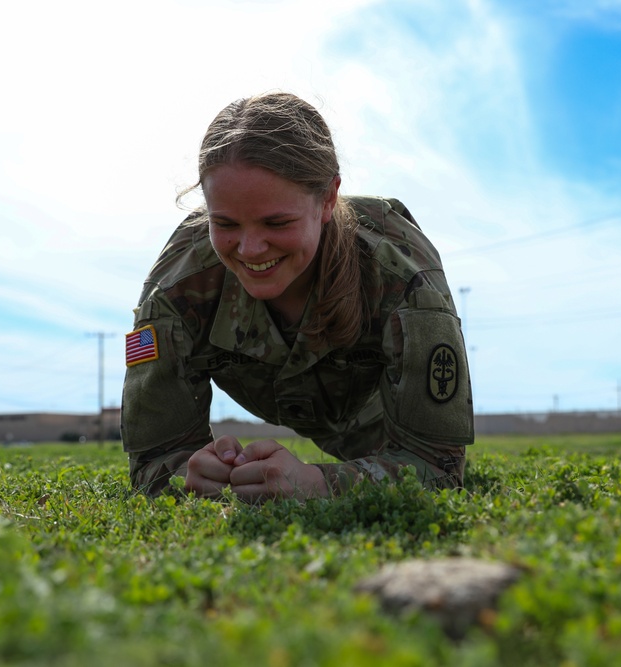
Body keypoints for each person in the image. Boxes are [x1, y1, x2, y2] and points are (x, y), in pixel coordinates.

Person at [121, 92, 473, 500]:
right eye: (226, 223)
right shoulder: (176, 288)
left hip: (377, 418)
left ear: (327, 199)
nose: (250, 249)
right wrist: (190, 476)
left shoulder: (401, 274)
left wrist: (321, 484)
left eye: (277, 222)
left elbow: (437, 468)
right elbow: (153, 461)